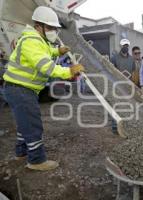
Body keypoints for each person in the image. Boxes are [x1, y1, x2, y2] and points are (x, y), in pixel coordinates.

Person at [3, 6, 84, 171]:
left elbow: (46, 52)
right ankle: (36, 160)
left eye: (54, 28)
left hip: (20, 89)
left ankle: (22, 151)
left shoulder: (38, 40)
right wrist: (69, 71)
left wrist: (57, 51)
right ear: (38, 26)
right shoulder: (31, 41)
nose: (53, 31)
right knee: (33, 125)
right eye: (50, 27)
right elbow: (46, 67)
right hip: (20, 89)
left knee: (24, 123)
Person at [110, 39, 135, 134]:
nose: (126, 47)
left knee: (126, 106)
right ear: (121, 46)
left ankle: (126, 126)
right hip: (117, 85)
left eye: (127, 45)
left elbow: (133, 72)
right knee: (116, 105)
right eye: (124, 45)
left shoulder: (131, 59)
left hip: (128, 86)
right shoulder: (114, 58)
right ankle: (114, 126)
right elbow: (111, 70)